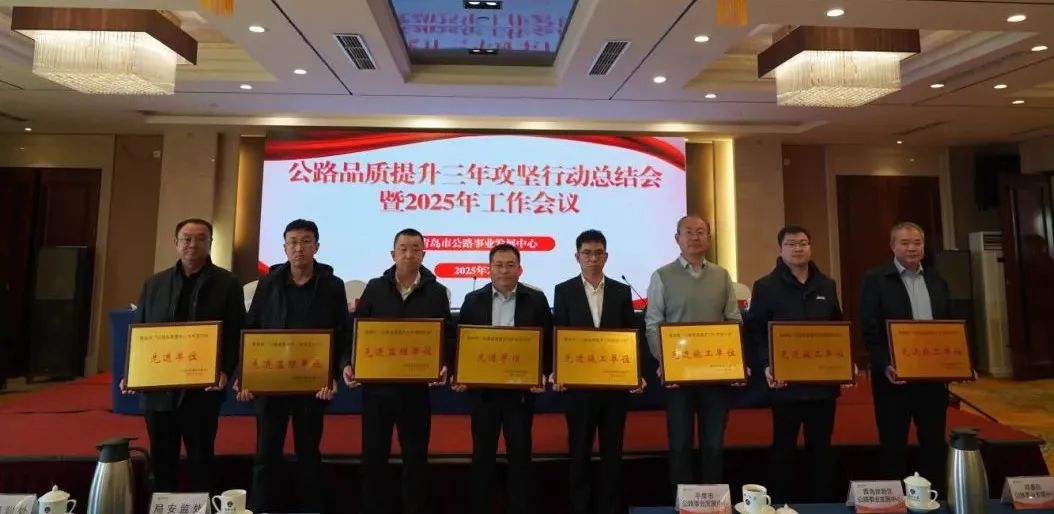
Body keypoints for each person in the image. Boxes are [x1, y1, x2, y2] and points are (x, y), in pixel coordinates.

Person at [119, 218, 245, 493]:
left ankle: (200, 508)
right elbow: (140, 332)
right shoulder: (154, 284)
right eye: (187, 238)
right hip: (159, 391)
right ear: (175, 243)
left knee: (201, 459)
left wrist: (224, 370)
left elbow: (235, 333)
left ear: (210, 243)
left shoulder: (228, 283)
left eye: (201, 238)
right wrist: (133, 372)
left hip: (202, 390)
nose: (193, 244)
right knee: (162, 462)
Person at [234, 219, 348, 513]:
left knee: (309, 453)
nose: (299, 248)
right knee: (266, 452)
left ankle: (311, 508)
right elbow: (252, 328)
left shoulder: (332, 286)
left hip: (312, 384)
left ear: (316, 247)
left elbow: (342, 333)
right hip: (271, 383)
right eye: (293, 242)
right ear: (284, 247)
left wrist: (333, 375)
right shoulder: (268, 283)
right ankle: (261, 508)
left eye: (306, 242)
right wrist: (246, 375)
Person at [341, 228, 453, 514]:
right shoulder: (375, 288)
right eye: (403, 248)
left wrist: (445, 364)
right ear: (393, 254)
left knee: (415, 459)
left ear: (424, 254)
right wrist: (347, 363)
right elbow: (356, 334)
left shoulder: (436, 292)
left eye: (415, 249)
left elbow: (447, 336)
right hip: (377, 391)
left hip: (415, 391)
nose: (409, 254)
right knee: (373, 458)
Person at [744, 225, 843, 502]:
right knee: (784, 447)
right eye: (791, 244)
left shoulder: (827, 285)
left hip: (822, 384)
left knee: (821, 447)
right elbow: (756, 331)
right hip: (785, 383)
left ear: (810, 247)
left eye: (803, 243)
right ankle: (781, 503)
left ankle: (821, 504)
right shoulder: (766, 286)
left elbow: (837, 327)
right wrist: (767, 363)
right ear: (781, 249)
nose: (798, 249)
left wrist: (844, 362)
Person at [644, 215, 742, 495]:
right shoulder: (662, 275)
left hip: (715, 375)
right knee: (680, 444)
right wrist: (665, 362)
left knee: (714, 445)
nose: (695, 237)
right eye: (688, 232)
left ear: (709, 238)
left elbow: (733, 320)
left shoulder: (722, 275)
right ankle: (683, 503)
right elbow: (653, 323)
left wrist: (734, 362)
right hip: (679, 376)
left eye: (701, 232)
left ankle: (713, 502)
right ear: (677, 239)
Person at [551, 229, 645, 514]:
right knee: (579, 452)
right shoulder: (564, 290)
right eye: (587, 253)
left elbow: (631, 336)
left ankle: (610, 507)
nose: (593, 259)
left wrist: (635, 373)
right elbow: (559, 335)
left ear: (606, 257)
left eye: (598, 253)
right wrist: (558, 371)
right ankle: (579, 507)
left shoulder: (620, 291)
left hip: (613, 389)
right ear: (577, 256)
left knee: (612, 454)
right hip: (578, 389)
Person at [453, 243, 552, 514]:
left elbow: (548, 342)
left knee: (520, 457)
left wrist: (543, 373)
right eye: (498, 265)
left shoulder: (536, 299)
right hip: (483, 393)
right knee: (482, 456)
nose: (504, 271)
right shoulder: (473, 300)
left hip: (521, 393)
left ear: (519, 269)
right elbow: (461, 342)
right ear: (489, 268)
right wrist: (461, 373)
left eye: (510, 265)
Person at [860, 221, 954, 488]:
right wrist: (885, 364)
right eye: (905, 243)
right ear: (892, 246)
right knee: (893, 444)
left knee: (934, 442)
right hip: (894, 378)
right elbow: (870, 329)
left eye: (917, 243)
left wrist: (959, 362)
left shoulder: (937, 280)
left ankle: (934, 496)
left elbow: (950, 326)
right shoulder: (875, 279)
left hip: (932, 378)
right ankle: (896, 500)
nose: (912, 248)